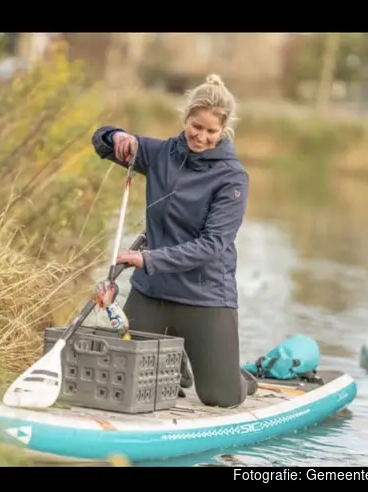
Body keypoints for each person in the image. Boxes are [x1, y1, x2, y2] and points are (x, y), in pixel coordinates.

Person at [90, 74, 257, 408]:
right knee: (120, 376)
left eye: (211, 131)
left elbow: (213, 245)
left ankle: (238, 376)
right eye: (196, 126)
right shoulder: (160, 154)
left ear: (223, 130)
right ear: (186, 118)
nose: (201, 136)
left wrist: (147, 260)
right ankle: (173, 357)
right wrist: (117, 135)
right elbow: (102, 142)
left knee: (218, 397)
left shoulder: (232, 178)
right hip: (153, 291)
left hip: (205, 295)